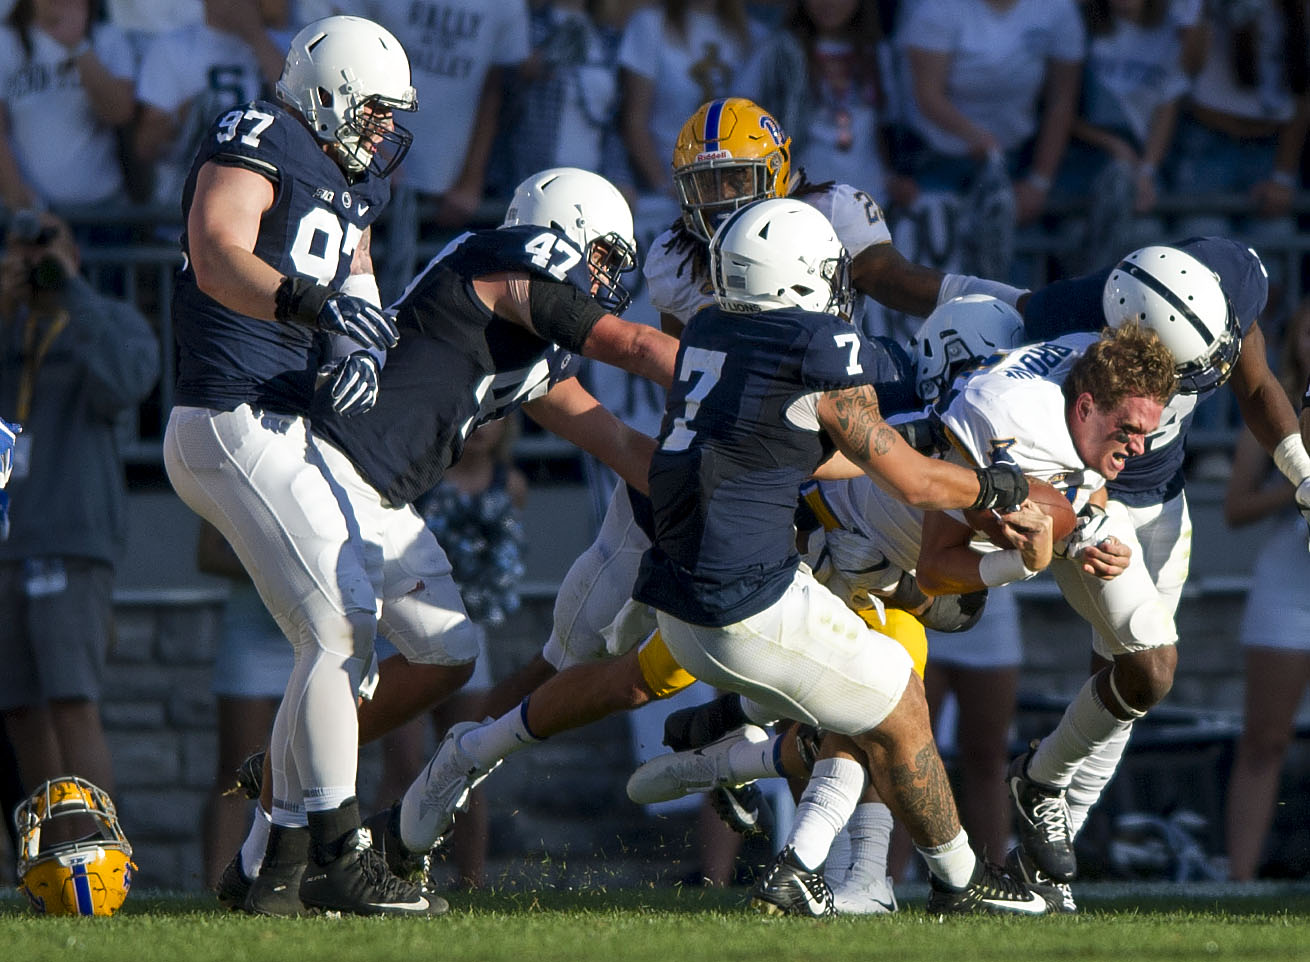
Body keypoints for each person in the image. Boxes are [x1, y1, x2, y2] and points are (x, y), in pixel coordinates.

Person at [211, 164, 681, 913]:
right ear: (556, 236)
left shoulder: (534, 352)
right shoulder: (494, 267)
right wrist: (735, 381)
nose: (607, 279)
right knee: (343, 643)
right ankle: (303, 839)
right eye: (602, 258)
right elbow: (629, 347)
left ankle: (281, 782)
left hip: (379, 494)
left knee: (448, 652)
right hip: (329, 463)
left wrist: (730, 487)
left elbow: (621, 446)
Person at [627, 315, 1176, 911]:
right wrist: (1025, 564)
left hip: (876, 564)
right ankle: (846, 863)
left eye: (1148, 431)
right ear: (1087, 404)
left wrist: (1084, 526)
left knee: (867, 709)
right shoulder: (1009, 416)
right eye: (1129, 429)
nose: (1140, 447)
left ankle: (743, 768)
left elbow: (1078, 482)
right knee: (875, 705)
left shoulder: (1076, 395)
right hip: (832, 545)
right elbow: (942, 567)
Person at [628, 196, 1042, 917]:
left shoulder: (711, 331)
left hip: (678, 600)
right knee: (901, 703)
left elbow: (814, 456)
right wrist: (994, 484)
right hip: (747, 599)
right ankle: (960, 884)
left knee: (861, 686)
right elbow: (908, 479)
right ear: (799, 278)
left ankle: (733, 754)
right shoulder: (819, 344)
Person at [919, 237, 1309, 912]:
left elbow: (1255, 382)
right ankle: (1036, 803)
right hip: (1090, 495)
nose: (1209, 374)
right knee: (1147, 666)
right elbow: (976, 314)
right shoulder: (1058, 327)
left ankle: (1043, 871)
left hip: (1166, 500)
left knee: (1128, 694)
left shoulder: (1225, 276)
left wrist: (1303, 474)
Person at [162, 14, 427, 917]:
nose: (386, 132)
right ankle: (339, 849)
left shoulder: (349, 181)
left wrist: (361, 337)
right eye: (378, 112)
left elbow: (354, 267)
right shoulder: (259, 133)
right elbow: (216, 249)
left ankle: (268, 864)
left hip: (282, 421)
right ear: (330, 94)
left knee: (340, 636)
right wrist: (312, 308)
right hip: (229, 412)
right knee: (339, 625)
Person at [0, 210, 158, 797]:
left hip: (70, 542)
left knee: (71, 702)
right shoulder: (7, 322)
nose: (34, 258)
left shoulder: (106, 320)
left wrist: (72, 291)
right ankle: (50, 864)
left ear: (74, 250)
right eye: (21, 246)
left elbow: (125, 384)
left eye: (47, 241)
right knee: (18, 711)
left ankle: (96, 859)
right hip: (7, 543)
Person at [370, 416, 528, 891]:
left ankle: (471, 882)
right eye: (476, 417)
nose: (483, 428)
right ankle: (382, 874)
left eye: (495, 418)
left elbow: (505, 563)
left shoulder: (512, 484)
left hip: (468, 632)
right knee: (403, 763)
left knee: (467, 762)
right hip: (401, 631)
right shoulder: (421, 478)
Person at [893, 0, 1085, 281]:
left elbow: (1062, 101)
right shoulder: (934, 8)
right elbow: (928, 96)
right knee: (936, 268)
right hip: (935, 158)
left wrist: (1039, 181)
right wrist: (980, 139)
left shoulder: (1059, 9)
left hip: (1016, 161)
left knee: (1016, 276)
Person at [358, 0, 530, 299]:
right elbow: (354, 50)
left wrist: (471, 179)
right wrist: (368, 145)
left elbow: (495, 90)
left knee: (428, 303)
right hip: (368, 167)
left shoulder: (507, 6)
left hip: (447, 186)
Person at [1223, 295, 1310, 882]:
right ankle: (1239, 882)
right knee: (1264, 741)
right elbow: (1234, 507)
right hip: (1287, 586)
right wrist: (1301, 483)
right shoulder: (1268, 405)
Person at [195, 519, 294, 893]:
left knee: (313, 770)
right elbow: (207, 555)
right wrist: (274, 570)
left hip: (311, 631)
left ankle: (299, 883)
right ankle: (217, 887)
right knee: (236, 771)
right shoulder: (228, 466)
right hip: (250, 633)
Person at [132, 0, 307, 209]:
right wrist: (191, 114)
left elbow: (304, 116)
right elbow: (146, 146)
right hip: (183, 212)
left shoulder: (291, 45)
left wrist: (256, 36)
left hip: (268, 214)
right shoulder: (171, 48)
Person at [0, 0, 136, 210]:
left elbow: (119, 113)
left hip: (105, 211)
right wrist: (21, 200)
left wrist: (78, 46)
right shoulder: (6, 43)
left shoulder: (108, 38)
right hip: (35, 211)